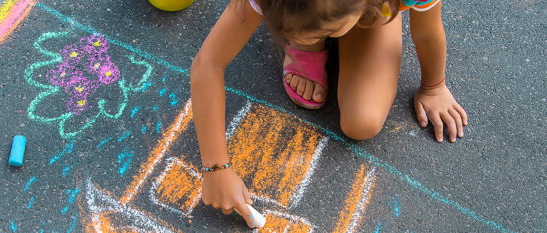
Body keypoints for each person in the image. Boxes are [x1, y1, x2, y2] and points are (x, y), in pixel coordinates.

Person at [189, 0, 468, 227]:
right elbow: (208, 63)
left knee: (363, 121)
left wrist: (433, 86)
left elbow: (428, 32)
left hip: (374, 10)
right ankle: (305, 37)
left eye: (317, 31)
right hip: (315, 8)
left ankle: (336, 23)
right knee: (310, 21)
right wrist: (215, 168)